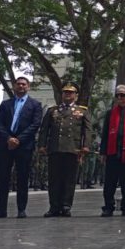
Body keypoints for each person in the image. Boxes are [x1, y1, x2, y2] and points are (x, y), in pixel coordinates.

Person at [0, 77, 42, 219]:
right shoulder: (6, 104)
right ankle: (0, 210)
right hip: (5, 145)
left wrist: (19, 139)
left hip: (24, 146)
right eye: (18, 84)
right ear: (14, 86)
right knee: (3, 177)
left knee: (22, 178)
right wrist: (9, 138)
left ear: (28, 87)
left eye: (24, 84)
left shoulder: (35, 105)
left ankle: (21, 209)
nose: (21, 86)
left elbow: (35, 125)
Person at [38, 82, 92, 217]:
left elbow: (87, 130)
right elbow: (44, 129)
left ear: (76, 95)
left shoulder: (82, 111)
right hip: (55, 148)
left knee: (69, 179)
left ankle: (66, 205)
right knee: (54, 179)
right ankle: (54, 206)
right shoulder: (53, 110)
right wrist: (42, 145)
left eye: (71, 92)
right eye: (65, 92)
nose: (68, 95)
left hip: (72, 148)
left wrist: (85, 145)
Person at [100, 85, 125, 217]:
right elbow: (105, 134)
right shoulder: (110, 113)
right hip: (112, 152)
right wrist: (103, 152)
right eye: (118, 95)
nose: (120, 97)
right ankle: (108, 207)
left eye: (123, 95)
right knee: (109, 183)